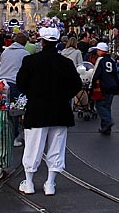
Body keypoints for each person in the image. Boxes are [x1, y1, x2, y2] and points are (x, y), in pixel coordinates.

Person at [15, 26, 82, 196]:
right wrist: (62, 96)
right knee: (56, 146)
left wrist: (34, 93)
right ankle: (50, 183)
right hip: (60, 111)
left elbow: (21, 83)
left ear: (41, 41)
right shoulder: (65, 63)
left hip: (37, 110)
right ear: (58, 42)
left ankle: (29, 182)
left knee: (33, 146)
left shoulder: (31, 61)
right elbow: (76, 85)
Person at [0, 32, 29, 147]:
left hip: (1, 82)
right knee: (15, 111)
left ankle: (0, 134)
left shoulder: (6, 51)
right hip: (14, 83)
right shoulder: (25, 53)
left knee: (1, 109)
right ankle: (14, 136)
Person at [90, 42, 119, 135]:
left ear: (100, 51)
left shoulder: (100, 60)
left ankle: (108, 122)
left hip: (103, 86)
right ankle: (105, 128)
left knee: (99, 106)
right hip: (112, 85)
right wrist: (117, 86)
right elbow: (115, 73)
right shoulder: (111, 60)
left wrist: (92, 84)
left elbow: (96, 73)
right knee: (107, 106)